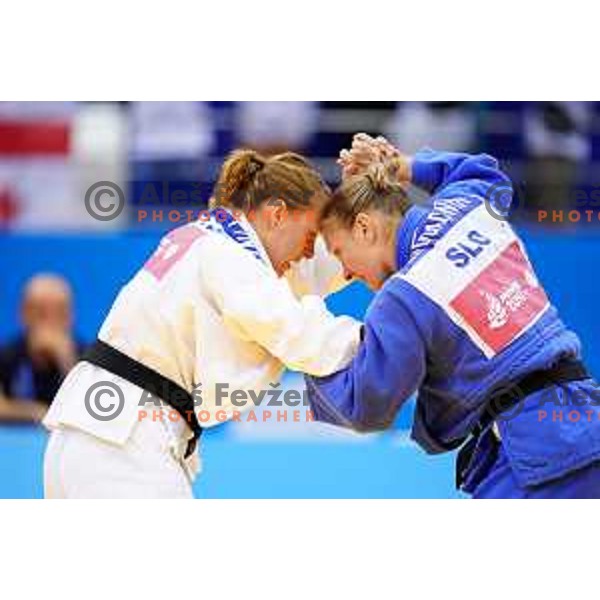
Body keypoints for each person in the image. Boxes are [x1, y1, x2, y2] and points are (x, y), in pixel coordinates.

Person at [43, 149, 361, 499]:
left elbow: (324, 267)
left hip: (91, 438)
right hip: (121, 447)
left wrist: (369, 209)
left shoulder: (210, 237)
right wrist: (380, 341)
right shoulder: (230, 256)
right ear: (277, 215)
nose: (309, 252)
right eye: (310, 236)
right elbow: (299, 335)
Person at [304, 133, 600, 499]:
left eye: (339, 251)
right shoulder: (467, 206)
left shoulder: (404, 294)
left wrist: (302, 339)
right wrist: (403, 166)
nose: (345, 272)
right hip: (585, 417)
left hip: (534, 459)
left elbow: (368, 404)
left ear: (364, 228)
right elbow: (483, 171)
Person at [0, 274, 81, 423]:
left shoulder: (89, 359)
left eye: (59, 313)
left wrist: (66, 361)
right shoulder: (7, 355)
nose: (50, 321)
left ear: (71, 316)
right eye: (41, 313)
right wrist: (35, 412)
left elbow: (97, 410)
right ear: (24, 314)